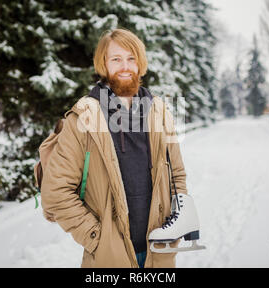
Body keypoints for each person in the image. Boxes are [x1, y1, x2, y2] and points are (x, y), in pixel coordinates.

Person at [41, 28, 188, 268]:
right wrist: (97, 239)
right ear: (103, 64)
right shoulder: (83, 119)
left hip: (159, 252)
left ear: (140, 63)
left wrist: (178, 220)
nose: (125, 66)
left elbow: (177, 176)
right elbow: (55, 192)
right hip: (108, 259)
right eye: (116, 59)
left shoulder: (159, 113)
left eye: (131, 59)